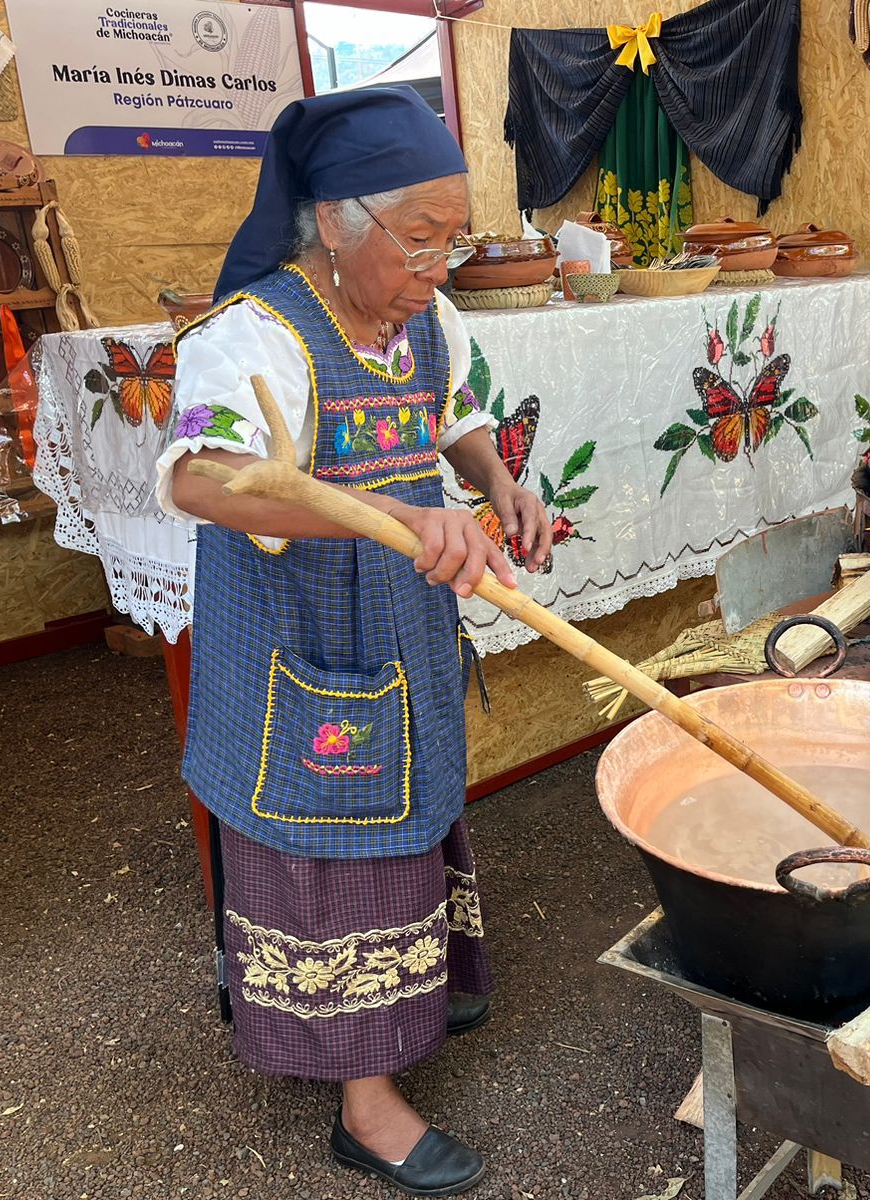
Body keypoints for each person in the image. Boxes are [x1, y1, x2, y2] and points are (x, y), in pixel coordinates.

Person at [157, 90, 551, 1198]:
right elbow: (200, 479)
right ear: (334, 220)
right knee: (336, 833)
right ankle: (365, 1106)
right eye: (418, 238)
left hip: (400, 621)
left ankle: (425, 989)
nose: (437, 266)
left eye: (451, 238)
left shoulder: (426, 316)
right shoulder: (257, 333)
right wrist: (388, 515)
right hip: (304, 635)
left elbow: (453, 415)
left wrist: (496, 484)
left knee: (411, 801)